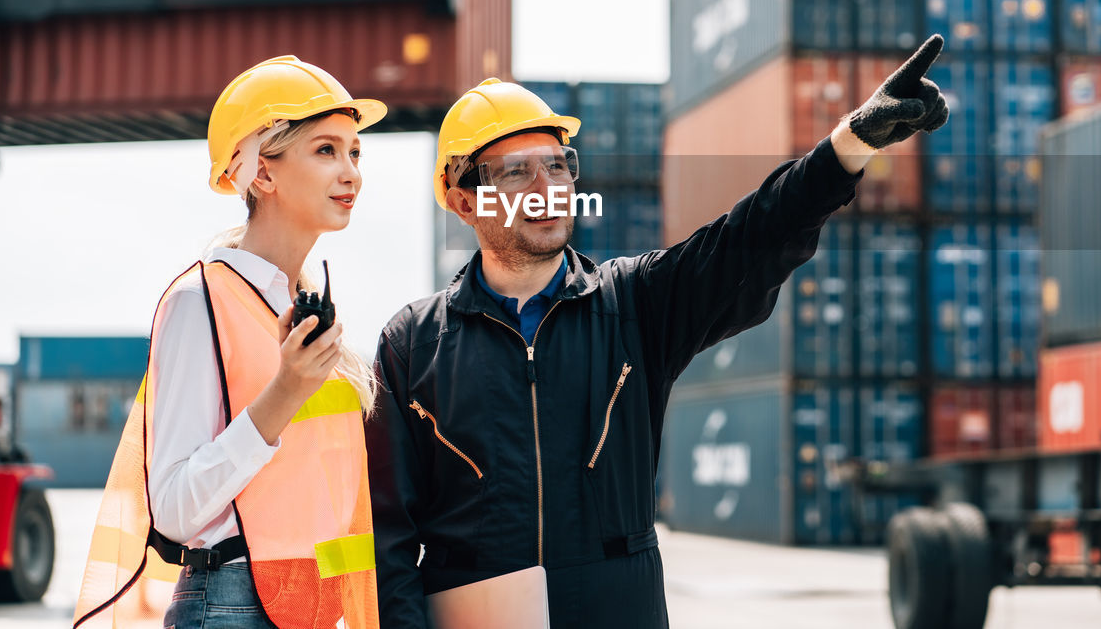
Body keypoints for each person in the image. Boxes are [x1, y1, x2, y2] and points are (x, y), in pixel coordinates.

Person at [367, 36, 949, 628]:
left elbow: (748, 241)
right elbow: (386, 539)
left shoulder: (634, 305)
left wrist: (849, 145)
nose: (547, 189)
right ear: (465, 201)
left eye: (558, 166)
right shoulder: (413, 346)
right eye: (516, 173)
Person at [74, 56, 386, 629]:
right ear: (262, 174)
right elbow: (172, 511)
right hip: (232, 606)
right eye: (325, 150)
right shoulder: (200, 301)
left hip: (311, 608)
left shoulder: (300, 306)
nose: (351, 173)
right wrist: (284, 393)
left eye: (354, 151)